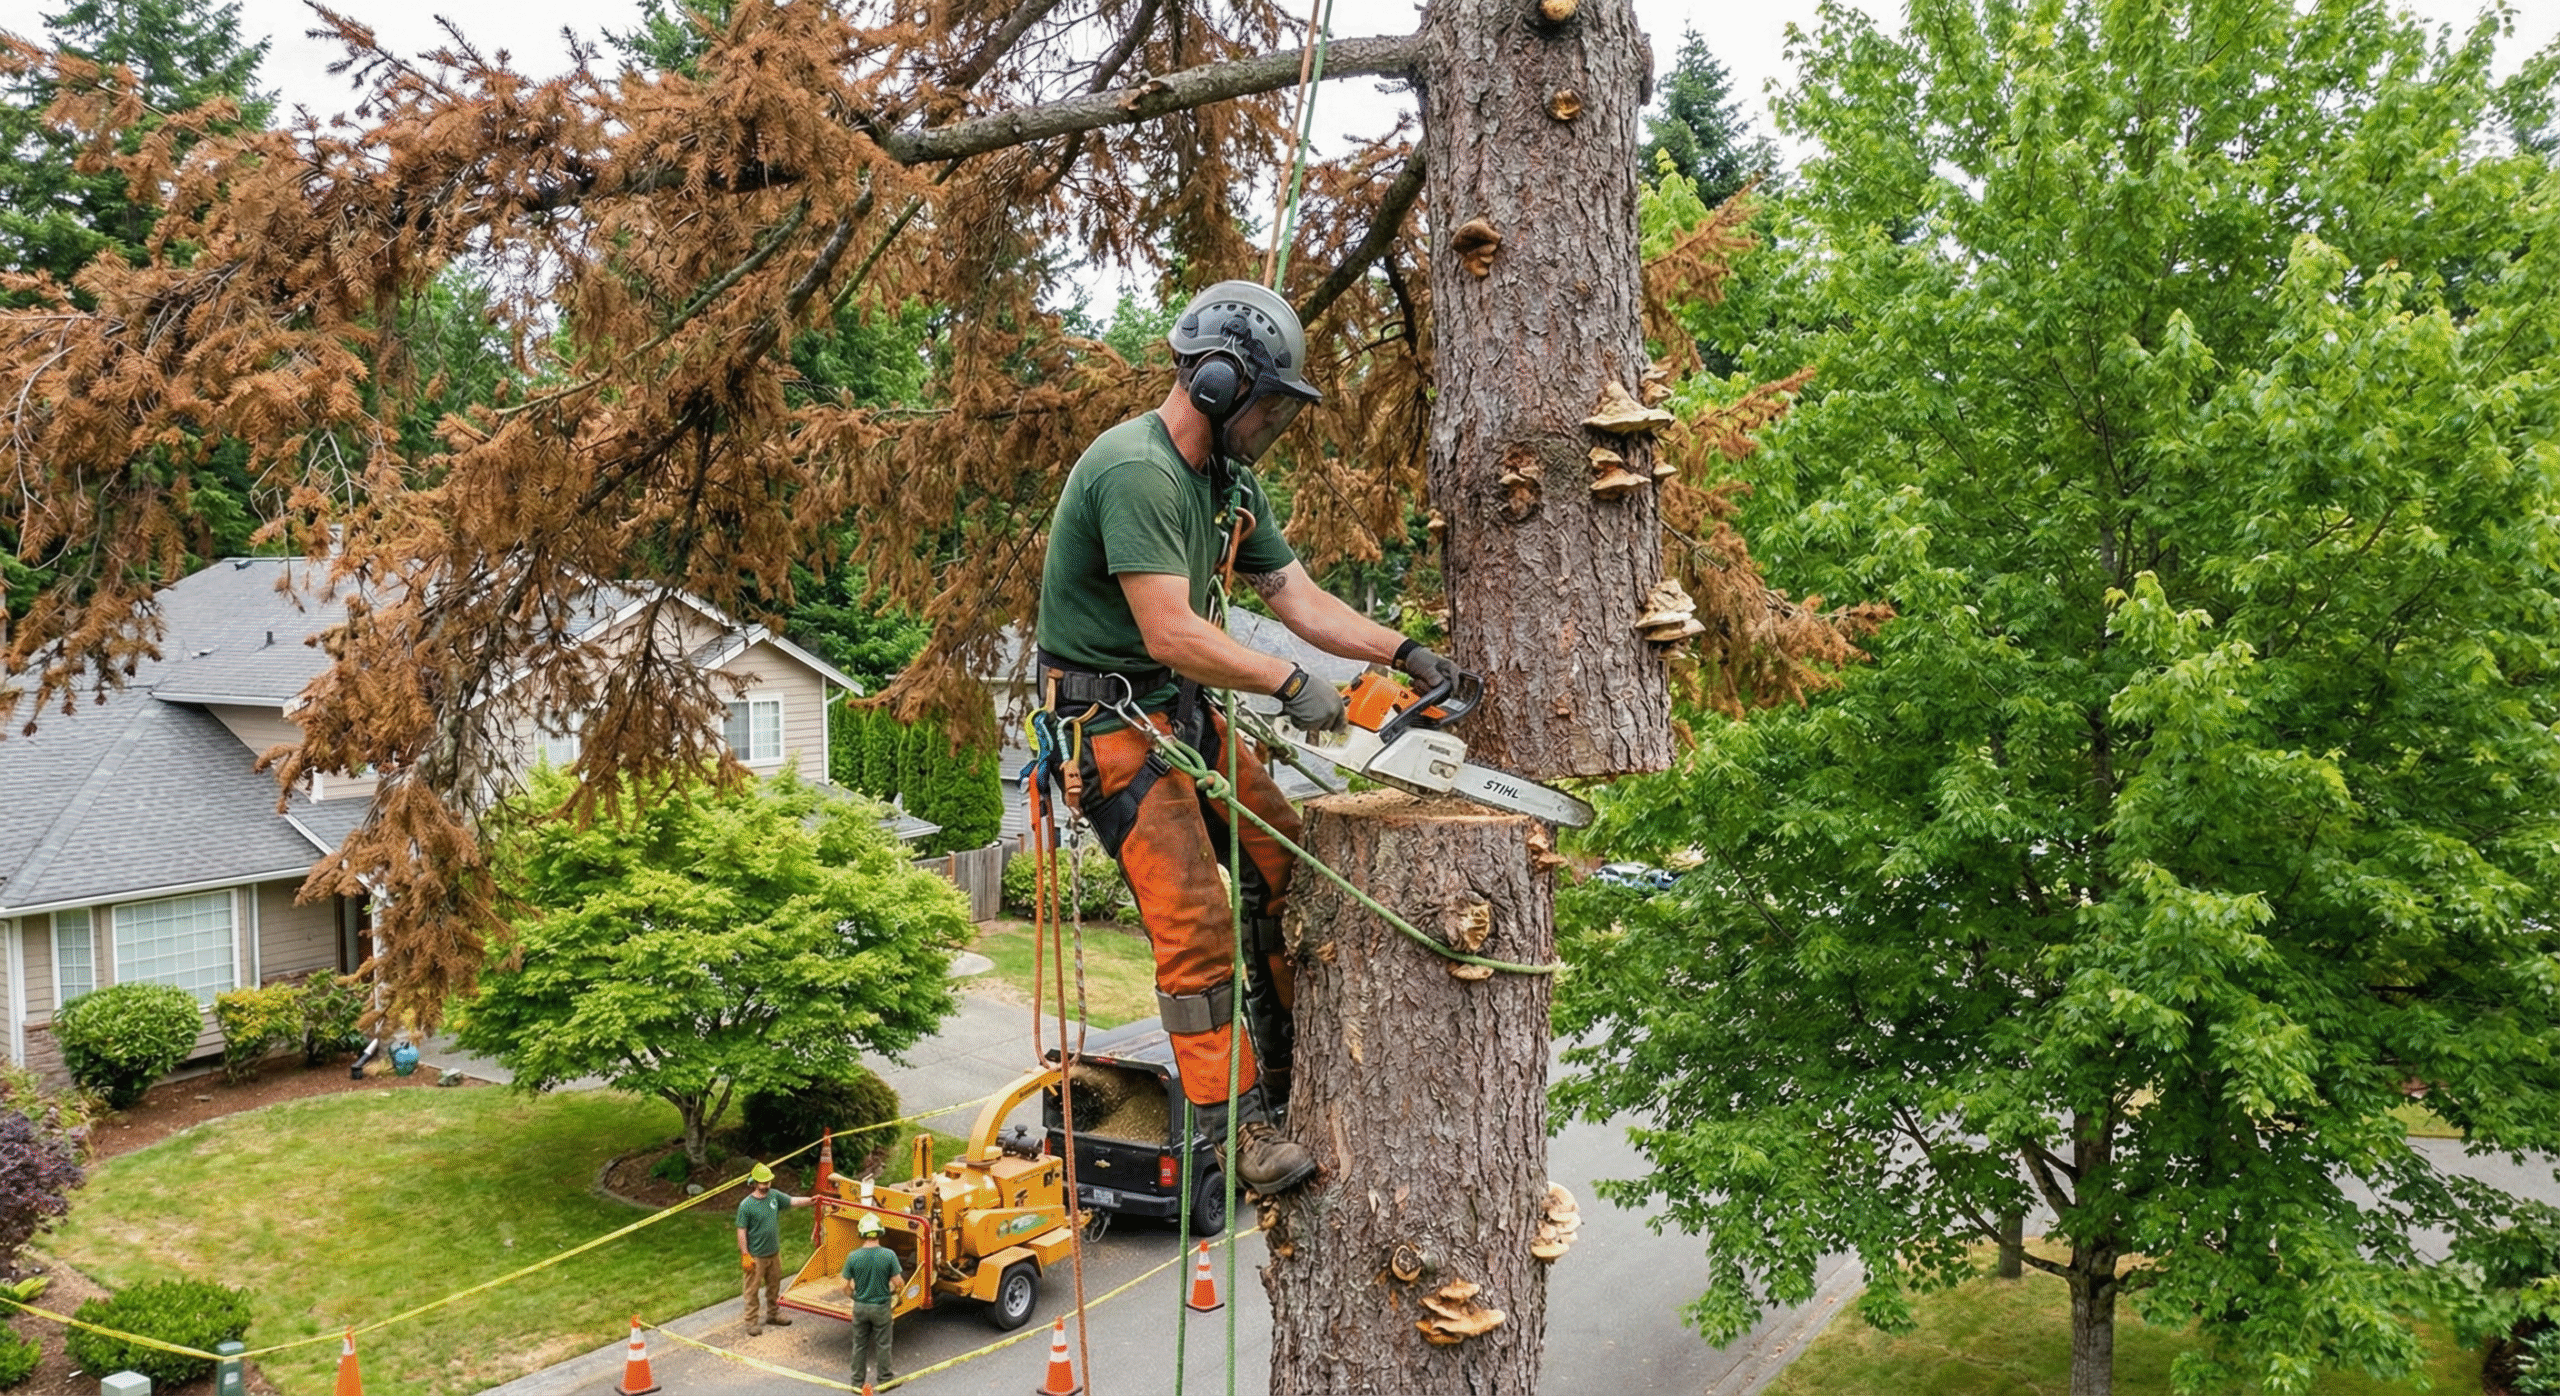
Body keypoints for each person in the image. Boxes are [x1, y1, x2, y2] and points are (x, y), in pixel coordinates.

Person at [1035, 280, 1458, 1198]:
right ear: (1219, 383)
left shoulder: (1229, 488)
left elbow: (1298, 599)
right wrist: (1288, 682)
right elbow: (1171, 630)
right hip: (1110, 724)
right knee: (1194, 926)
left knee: (1283, 861)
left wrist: (1406, 651)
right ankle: (1239, 1133)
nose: (1270, 426)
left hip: (1179, 711)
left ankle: (1292, 1055)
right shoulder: (1136, 470)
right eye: (1265, 405)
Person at [734, 1162, 808, 1336]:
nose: (766, 1186)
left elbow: (792, 1201)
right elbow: (741, 1231)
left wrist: (812, 1200)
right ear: (754, 1183)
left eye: (768, 1182)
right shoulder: (746, 1206)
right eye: (762, 1183)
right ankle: (751, 1322)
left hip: (773, 1253)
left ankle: (773, 1315)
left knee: (774, 1286)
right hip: (756, 1256)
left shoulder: (774, 1197)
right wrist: (745, 1254)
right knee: (752, 1290)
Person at [841, 1216, 902, 1386]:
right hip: (881, 1307)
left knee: (859, 1346)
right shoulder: (889, 1255)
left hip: (860, 1307)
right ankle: (885, 1380)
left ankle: (857, 1382)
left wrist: (855, 1297)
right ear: (879, 1232)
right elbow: (898, 1282)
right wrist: (895, 1293)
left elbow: (844, 1287)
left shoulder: (853, 1257)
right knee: (883, 1345)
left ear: (862, 1233)